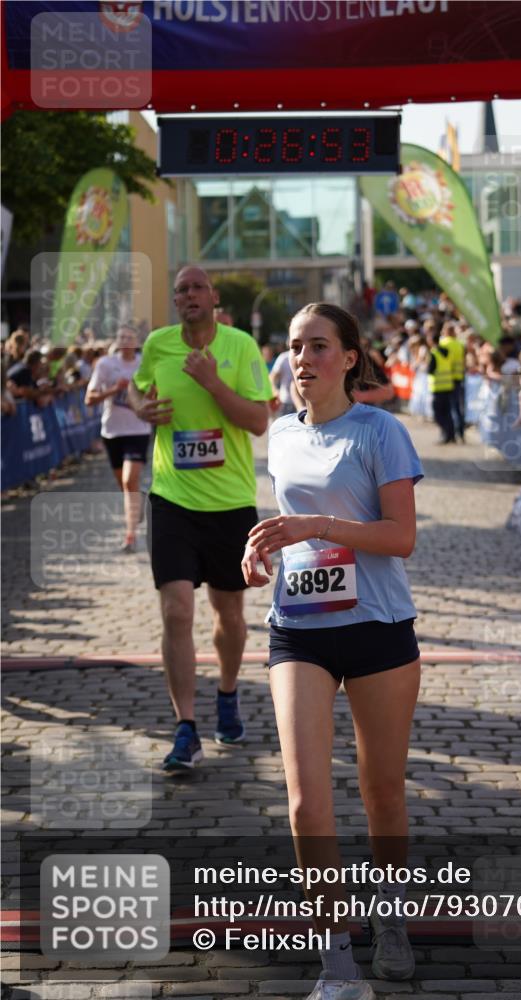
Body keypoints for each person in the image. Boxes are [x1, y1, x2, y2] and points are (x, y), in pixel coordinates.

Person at [242, 303, 423, 999]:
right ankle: (336, 962)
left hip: (377, 628)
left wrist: (317, 522)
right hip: (297, 628)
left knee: (381, 794)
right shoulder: (281, 433)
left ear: (349, 358)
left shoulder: (380, 429)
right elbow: (290, 533)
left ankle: (394, 919)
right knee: (304, 805)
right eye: (294, 346)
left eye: (318, 346)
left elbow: (400, 537)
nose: (303, 358)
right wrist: (257, 554)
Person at [128, 266, 273, 772]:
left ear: (213, 297)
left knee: (229, 617)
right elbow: (136, 389)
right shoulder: (158, 345)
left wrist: (212, 383)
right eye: (180, 290)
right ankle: (185, 727)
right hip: (172, 497)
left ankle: (228, 694)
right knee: (176, 612)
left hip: (230, 502)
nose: (188, 296)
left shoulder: (239, 347)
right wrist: (141, 407)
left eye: (196, 288)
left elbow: (259, 421)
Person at [85, 326, 152, 553]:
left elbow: (158, 391)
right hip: (112, 431)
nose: (125, 341)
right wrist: (114, 389)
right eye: (121, 337)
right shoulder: (105, 365)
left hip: (138, 430)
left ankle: (130, 535)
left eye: (129, 337)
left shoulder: (145, 364)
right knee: (126, 486)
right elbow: (89, 399)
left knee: (128, 479)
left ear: (136, 342)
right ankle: (137, 502)